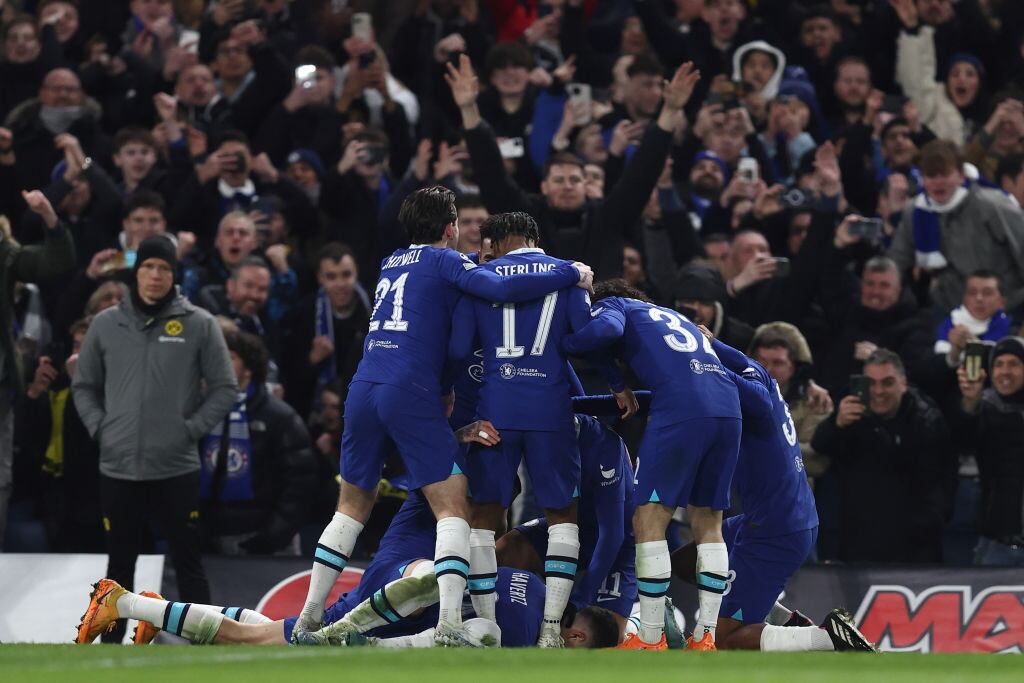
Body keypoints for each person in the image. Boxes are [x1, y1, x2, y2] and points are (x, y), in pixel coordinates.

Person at [291, 187, 593, 647]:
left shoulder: (391, 261)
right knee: (453, 505)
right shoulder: (448, 262)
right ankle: (451, 619)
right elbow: (499, 285)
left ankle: (309, 616)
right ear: (450, 227)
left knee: (351, 504)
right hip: (409, 389)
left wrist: (450, 387)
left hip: (362, 387)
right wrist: (569, 272)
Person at [76, 490, 618, 649]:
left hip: (405, 556)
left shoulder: (529, 573)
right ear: (570, 633)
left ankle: (149, 608)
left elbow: (507, 542)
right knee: (263, 641)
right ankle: (122, 602)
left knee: (261, 634)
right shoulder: (528, 630)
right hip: (411, 583)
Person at [448, 211, 623, 647]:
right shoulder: (570, 277)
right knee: (563, 517)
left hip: (496, 410)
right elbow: (585, 338)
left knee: (485, 516)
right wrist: (614, 380)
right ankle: (550, 629)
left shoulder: (481, 278)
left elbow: (456, 349)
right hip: (551, 409)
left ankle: (485, 623)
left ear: (503, 238)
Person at [72, 234, 236, 641]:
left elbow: (225, 388)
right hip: (118, 465)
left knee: (188, 562)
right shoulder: (107, 324)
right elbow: (83, 386)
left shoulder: (199, 323)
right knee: (119, 567)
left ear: (174, 274)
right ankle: (112, 653)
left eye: (164, 268)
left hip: (176, 465)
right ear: (136, 273)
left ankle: (207, 648)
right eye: (148, 267)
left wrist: (190, 431)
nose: (155, 275)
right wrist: (101, 428)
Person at [563, 279, 741, 651]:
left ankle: (651, 637)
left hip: (681, 409)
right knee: (709, 521)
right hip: (728, 408)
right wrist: (615, 384)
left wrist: (566, 339)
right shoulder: (670, 316)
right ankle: (705, 635)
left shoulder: (617, 308)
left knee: (648, 518)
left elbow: (604, 331)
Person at [669, 331, 871, 652]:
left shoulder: (750, 397)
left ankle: (827, 638)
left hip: (773, 529)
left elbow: (723, 385)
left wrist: (697, 364)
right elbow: (739, 362)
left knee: (723, 639)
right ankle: (782, 619)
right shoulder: (761, 376)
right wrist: (707, 342)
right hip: (779, 516)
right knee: (684, 563)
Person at [451, 53, 702, 279]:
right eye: (559, 180)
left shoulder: (608, 217)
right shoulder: (523, 217)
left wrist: (669, 111)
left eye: (574, 180)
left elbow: (642, 173)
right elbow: (491, 174)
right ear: (544, 186)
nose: (567, 186)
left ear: (586, 185)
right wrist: (468, 109)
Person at [497, 411, 637, 642]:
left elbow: (612, 535)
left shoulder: (604, 447)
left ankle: (636, 625)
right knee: (503, 551)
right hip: (568, 527)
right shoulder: (532, 432)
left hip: (614, 542)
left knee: (596, 639)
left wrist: (579, 598)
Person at [810, 349, 957, 563]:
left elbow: (944, 479)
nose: (878, 391)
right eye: (871, 383)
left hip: (915, 546)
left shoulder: (926, 420)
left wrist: (928, 524)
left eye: (887, 382)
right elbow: (820, 446)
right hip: (859, 540)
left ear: (903, 384)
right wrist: (836, 424)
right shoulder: (850, 415)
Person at [0, 189, 76, 548]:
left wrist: (49, 217)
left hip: (1, 391)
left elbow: (55, 262)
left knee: (1, 481)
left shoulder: (5, 252)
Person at [199, 331, 319, 555]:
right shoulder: (200, 411)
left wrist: (272, 536)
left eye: (230, 356)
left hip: (266, 542)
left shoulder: (279, 417)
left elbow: (300, 483)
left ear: (249, 368)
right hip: (209, 539)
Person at [887, 140, 1024, 315]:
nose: (938, 182)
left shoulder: (992, 204)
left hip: (1007, 309)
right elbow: (897, 261)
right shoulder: (915, 211)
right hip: (951, 312)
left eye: (944, 174)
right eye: (931, 175)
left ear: (960, 175)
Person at [955, 336, 1024, 567]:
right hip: (997, 542)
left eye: (1014, 364)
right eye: (999, 364)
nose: (1006, 371)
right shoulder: (984, 408)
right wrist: (969, 403)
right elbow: (963, 441)